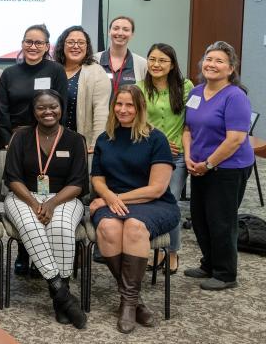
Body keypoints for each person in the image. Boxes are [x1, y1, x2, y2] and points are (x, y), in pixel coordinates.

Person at [90, 85, 179, 334]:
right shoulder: (105, 137)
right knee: (107, 227)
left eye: (129, 105)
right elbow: (97, 179)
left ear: (140, 108)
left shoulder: (156, 139)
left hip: (153, 204)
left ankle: (127, 304)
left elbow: (157, 189)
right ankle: (133, 300)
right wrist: (107, 195)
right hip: (113, 201)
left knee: (134, 227)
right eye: (119, 104)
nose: (123, 109)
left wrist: (113, 198)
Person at [3, 90, 88, 329]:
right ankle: (61, 294)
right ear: (34, 111)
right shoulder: (21, 137)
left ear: (61, 109)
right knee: (31, 225)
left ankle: (60, 298)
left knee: (60, 227)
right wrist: (33, 202)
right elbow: (12, 177)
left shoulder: (74, 139)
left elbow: (79, 182)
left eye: (53, 107)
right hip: (23, 195)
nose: (48, 112)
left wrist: (51, 203)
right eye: (41, 108)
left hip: (63, 197)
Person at [182, 41, 255, 291]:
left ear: (231, 68)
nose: (212, 64)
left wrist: (209, 164)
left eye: (219, 61)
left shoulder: (236, 97)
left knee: (221, 220)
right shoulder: (195, 93)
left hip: (228, 168)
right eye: (209, 59)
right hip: (199, 165)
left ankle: (225, 273)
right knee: (200, 218)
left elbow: (235, 139)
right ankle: (209, 264)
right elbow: (188, 129)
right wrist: (190, 157)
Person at [137, 43, 193, 273]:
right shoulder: (139, 88)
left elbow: (192, 123)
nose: (156, 65)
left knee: (169, 202)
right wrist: (157, 141)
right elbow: (135, 121)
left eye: (162, 61)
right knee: (149, 203)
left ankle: (172, 252)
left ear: (172, 65)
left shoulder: (186, 86)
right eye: (152, 59)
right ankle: (155, 251)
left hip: (176, 156)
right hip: (147, 155)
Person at [0, 24, 68, 148]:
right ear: (22, 44)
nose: (33, 47)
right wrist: (7, 141)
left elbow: (62, 107)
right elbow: (2, 111)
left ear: (47, 47)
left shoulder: (57, 70)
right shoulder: (9, 73)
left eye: (38, 43)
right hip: (16, 138)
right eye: (28, 42)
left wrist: (58, 138)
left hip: (48, 136)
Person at [53, 25, 110, 153]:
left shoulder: (96, 72)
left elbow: (101, 111)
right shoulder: (52, 69)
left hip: (82, 144)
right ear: (62, 45)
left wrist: (96, 144)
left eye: (81, 42)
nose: (76, 46)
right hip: (51, 141)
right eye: (71, 42)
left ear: (87, 47)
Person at [93, 16, 147, 94]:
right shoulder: (93, 60)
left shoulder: (142, 64)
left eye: (126, 30)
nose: (120, 33)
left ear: (132, 34)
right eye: (116, 28)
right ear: (109, 32)